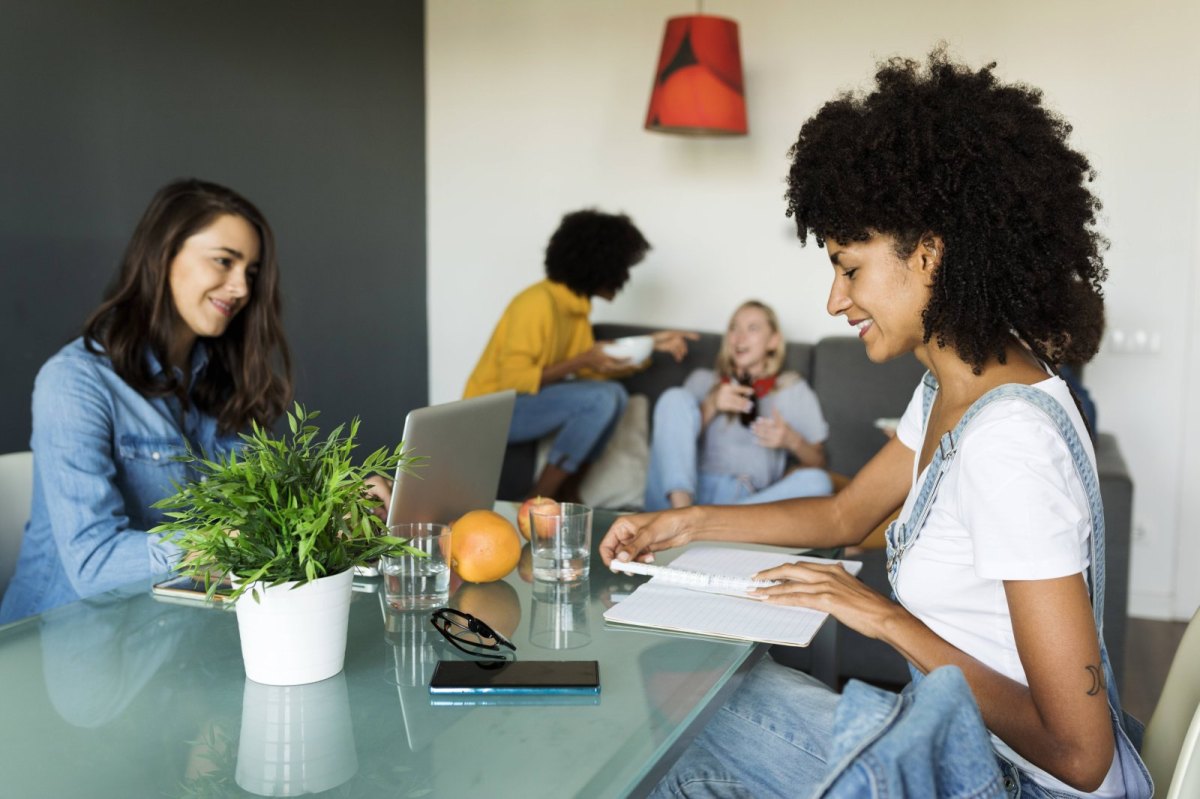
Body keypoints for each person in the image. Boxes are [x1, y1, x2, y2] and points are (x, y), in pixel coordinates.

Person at [601, 50, 1151, 798]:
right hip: (966, 750)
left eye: (849, 267)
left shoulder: (1008, 442)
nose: (834, 300)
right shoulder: (955, 385)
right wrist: (688, 522)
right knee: (689, 703)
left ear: (929, 254)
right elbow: (844, 511)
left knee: (677, 736)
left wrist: (878, 616)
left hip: (1020, 785)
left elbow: (1080, 755)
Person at [0, 179, 293, 623]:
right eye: (223, 262)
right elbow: (94, 564)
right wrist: (224, 542)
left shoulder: (222, 384)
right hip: (62, 646)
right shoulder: (75, 381)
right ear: (164, 255)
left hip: (172, 633)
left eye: (249, 272)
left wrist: (337, 504)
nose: (241, 289)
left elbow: (257, 509)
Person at [464, 209, 696, 501]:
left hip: (519, 405)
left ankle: (569, 487)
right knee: (602, 397)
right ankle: (539, 497)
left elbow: (592, 370)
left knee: (614, 394)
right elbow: (515, 378)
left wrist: (650, 344)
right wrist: (581, 360)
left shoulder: (575, 309)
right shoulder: (536, 303)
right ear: (599, 266)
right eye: (622, 268)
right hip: (490, 411)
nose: (624, 278)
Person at [643, 299, 832, 511]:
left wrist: (791, 440)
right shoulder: (702, 380)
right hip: (684, 494)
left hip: (745, 503)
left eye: (753, 328)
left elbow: (818, 461)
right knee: (674, 397)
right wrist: (712, 404)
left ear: (773, 341)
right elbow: (671, 444)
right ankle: (681, 518)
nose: (739, 337)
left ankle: (707, 529)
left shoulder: (791, 389)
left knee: (818, 482)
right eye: (734, 327)